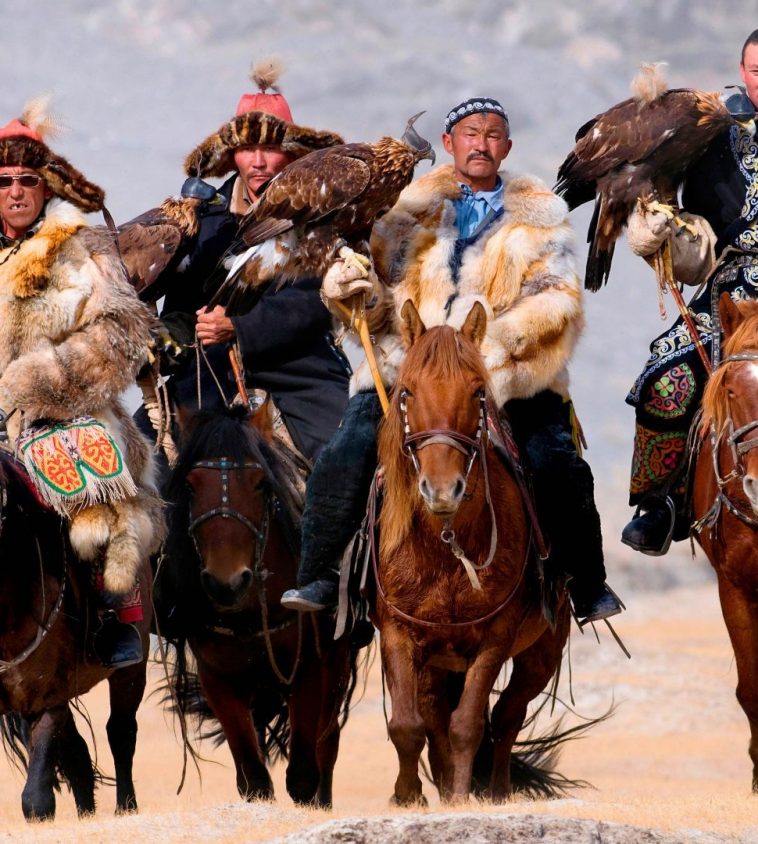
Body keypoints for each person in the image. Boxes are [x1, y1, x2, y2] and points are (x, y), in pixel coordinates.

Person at [281, 97, 623, 625]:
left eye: (492, 135)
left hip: (509, 376)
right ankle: (320, 575)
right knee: (346, 449)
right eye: (469, 133)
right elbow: (381, 308)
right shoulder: (402, 216)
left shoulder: (540, 222)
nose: (481, 143)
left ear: (506, 147)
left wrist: (495, 348)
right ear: (449, 144)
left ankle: (587, 583)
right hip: (407, 373)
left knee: (557, 461)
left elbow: (557, 298)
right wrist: (353, 294)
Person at [621, 25, 758, 555]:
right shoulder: (709, 133)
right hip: (727, 301)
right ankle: (660, 503)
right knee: (665, 380)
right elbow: (680, 209)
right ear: (743, 72)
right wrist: (661, 228)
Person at [0, 99, 164, 667]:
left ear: (46, 187)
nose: (16, 192)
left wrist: (41, 379)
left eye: (27, 180)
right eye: (4, 182)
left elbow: (122, 331)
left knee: (88, 476)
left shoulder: (85, 250)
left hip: (67, 411)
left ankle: (115, 614)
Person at [128, 61, 350, 463]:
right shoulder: (202, 220)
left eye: (272, 149)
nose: (260, 162)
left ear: (292, 155)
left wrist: (238, 327)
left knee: (345, 460)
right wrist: (164, 337)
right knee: (139, 458)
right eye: (249, 149)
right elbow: (182, 307)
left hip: (298, 368)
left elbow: (314, 302)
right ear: (233, 156)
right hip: (207, 369)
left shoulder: (321, 215)